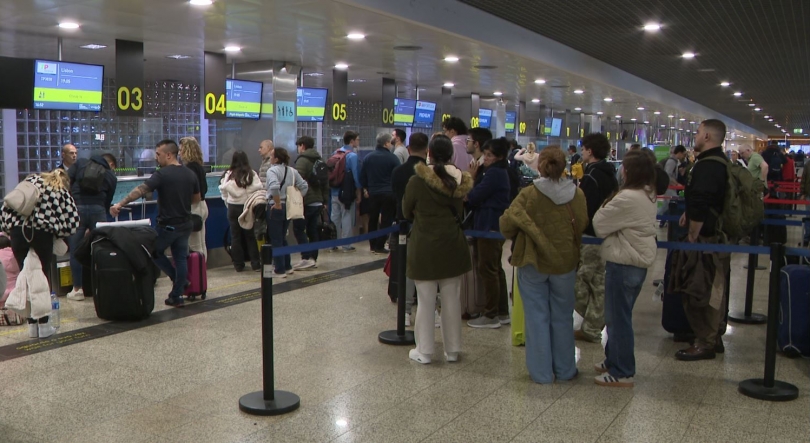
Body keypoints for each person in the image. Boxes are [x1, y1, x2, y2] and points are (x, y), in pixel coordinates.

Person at [500, 146, 588, 383]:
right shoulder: (577, 195)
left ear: (540, 166)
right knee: (562, 317)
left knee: (536, 317)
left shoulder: (528, 195)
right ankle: (566, 369)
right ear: (564, 167)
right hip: (565, 262)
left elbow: (506, 225)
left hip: (533, 262)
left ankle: (541, 374)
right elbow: (581, 223)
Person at [403, 135, 473, 364]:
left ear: (429, 154)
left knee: (425, 300)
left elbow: (406, 211)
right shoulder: (460, 181)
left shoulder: (417, 181)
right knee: (451, 299)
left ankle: (424, 351)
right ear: (451, 155)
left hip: (425, 246)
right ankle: (453, 350)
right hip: (453, 244)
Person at [592, 150, 658, 387]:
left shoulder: (627, 197)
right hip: (634, 263)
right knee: (618, 316)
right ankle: (613, 359)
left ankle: (622, 371)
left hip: (624, 263)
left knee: (617, 318)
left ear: (630, 171)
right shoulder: (648, 193)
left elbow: (599, 224)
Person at [111, 140, 200, 308]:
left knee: (154, 252)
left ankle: (177, 280)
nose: (156, 158)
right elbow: (196, 199)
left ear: (169, 154)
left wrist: (120, 204)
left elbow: (141, 190)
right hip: (186, 223)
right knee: (180, 258)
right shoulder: (190, 174)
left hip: (168, 225)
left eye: (158, 154)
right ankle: (177, 294)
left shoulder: (162, 174)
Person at [1, 169, 79, 338]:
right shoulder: (58, 189)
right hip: (41, 234)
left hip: (17, 234)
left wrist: (12, 230)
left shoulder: (24, 185)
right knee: (41, 277)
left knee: (27, 276)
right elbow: (73, 221)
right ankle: (44, 325)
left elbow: (4, 213)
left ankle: (31, 325)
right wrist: (59, 233)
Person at [675, 119, 729, 361]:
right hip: (718, 235)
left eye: (697, 132)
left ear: (707, 136)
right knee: (715, 287)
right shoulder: (721, 163)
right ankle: (713, 336)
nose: (695, 136)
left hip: (705, 238)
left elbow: (701, 201)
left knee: (699, 289)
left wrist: (693, 235)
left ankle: (704, 341)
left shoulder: (707, 166)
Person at [573, 133, 618, 343]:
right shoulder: (609, 173)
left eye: (583, 149)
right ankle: (592, 325)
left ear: (590, 151)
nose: (582, 152)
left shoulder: (591, 176)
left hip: (591, 234)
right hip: (605, 233)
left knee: (585, 279)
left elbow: (585, 208)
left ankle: (587, 325)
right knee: (599, 281)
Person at [465, 137, 512, 328]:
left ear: (499, 156)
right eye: (485, 154)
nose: (486, 158)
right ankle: (501, 311)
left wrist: (472, 178)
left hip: (489, 225)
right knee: (494, 268)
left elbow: (474, 196)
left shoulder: (494, 174)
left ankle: (491, 313)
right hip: (490, 224)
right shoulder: (497, 171)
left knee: (487, 268)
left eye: (490, 155)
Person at [65, 153, 118, 301]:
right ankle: (103, 287)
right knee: (101, 248)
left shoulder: (81, 163)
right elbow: (109, 198)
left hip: (77, 209)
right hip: (98, 209)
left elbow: (66, 181)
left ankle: (77, 289)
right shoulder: (110, 175)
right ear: (110, 163)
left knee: (75, 250)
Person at [391, 132, 428, 321]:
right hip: (425, 225)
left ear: (409, 148)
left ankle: (405, 312)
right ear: (427, 149)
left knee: (406, 267)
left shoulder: (399, 171)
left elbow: (395, 196)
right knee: (427, 268)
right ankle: (431, 310)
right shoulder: (430, 173)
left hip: (403, 224)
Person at [266, 148, 308, 278]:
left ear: (276, 159)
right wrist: (298, 197)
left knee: (276, 238)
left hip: (275, 206)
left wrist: (277, 203)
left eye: (271, 155)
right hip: (288, 206)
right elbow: (304, 186)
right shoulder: (292, 171)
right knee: (282, 236)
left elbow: (274, 187)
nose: (270, 157)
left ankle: (279, 269)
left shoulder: (272, 170)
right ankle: (287, 265)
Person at [219, 151, 263, 272]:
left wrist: (228, 202)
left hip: (233, 208)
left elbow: (223, 191)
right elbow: (259, 188)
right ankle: (255, 264)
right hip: (247, 207)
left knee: (235, 236)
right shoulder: (251, 173)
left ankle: (238, 264)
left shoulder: (229, 174)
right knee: (250, 236)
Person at [359, 132, 400, 254]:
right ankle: (380, 245)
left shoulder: (368, 158)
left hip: (373, 193)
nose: (392, 145)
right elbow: (398, 176)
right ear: (386, 143)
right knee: (386, 220)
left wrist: (366, 189)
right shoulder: (393, 158)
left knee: (373, 219)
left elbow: (362, 177)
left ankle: (372, 245)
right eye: (391, 142)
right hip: (389, 193)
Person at [292, 135, 329, 270]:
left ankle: (306, 257)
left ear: (302, 146)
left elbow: (297, 180)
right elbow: (325, 183)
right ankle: (313, 257)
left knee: (299, 229)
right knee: (313, 230)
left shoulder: (302, 160)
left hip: (306, 201)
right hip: (318, 201)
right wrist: (324, 200)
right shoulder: (319, 159)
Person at [330, 131, 363, 252]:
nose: (358, 142)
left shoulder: (336, 153)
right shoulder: (352, 156)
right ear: (352, 141)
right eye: (357, 140)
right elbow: (356, 176)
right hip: (347, 193)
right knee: (347, 216)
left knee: (334, 217)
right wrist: (359, 191)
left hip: (334, 191)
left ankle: (333, 243)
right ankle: (346, 244)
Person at [180, 137, 209, 259]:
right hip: (202, 206)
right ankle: (202, 272)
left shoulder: (189, 169)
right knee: (201, 243)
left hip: (194, 208)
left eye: (181, 149)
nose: (179, 153)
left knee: (194, 245)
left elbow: (192, 193)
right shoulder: (199, 167)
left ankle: (197, 273)